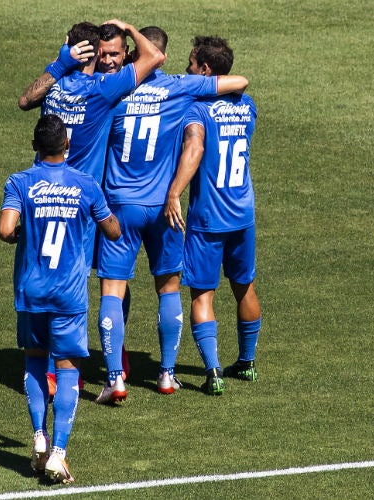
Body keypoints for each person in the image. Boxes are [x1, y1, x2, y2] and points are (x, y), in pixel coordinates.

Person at [95, 27, 250, 402]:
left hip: (121, 207)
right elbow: (237, 82)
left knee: (112, 290)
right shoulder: (181, 88)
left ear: (136, 54)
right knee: (168, 288)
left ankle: (115, 378)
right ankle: (166, 374)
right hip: (167, 208)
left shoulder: (115, 89)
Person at [19, 20, 165, 399]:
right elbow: (155, 56)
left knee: (62, 282)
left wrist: (59, 62)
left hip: (45, 196)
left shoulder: (53, 89)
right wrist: (130, 28)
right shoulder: (104, 91)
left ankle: (82, 362)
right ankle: (68, 369)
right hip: (87, 205)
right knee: (86, 286)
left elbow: (24, 99)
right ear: (92, 54)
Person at [0, 115, 121, 483]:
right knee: (68, 369)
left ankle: (38, 437)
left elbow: (5, 229)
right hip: (68, 294)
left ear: (34, 146)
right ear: (67, 145)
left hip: (31, 292)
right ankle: (59, 453)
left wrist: (24, 235)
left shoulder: (20, 182)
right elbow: (112, 231)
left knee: (35, 362)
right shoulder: (85, 184)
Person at [164, 36, 261, 396]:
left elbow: (196, 147)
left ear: (205, 70)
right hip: (243, 212)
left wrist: (174, 191)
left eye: (191, 64)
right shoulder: (247, 106)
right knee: (244, 286)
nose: (187, 69)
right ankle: (247, 362)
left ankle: (213, 372)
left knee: (202, 295)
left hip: (208, 217)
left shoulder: (197, 110)